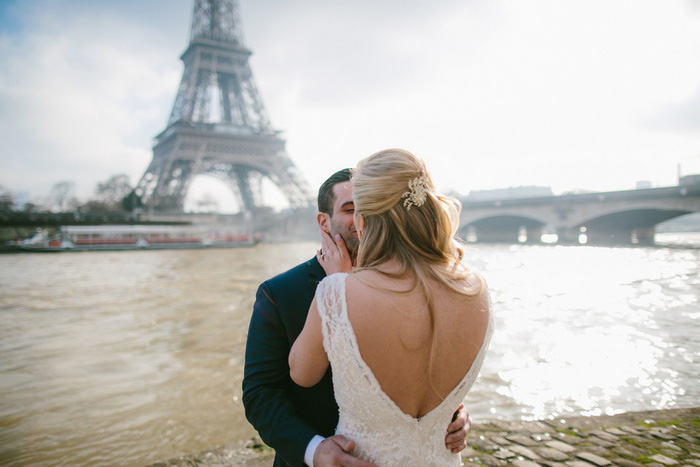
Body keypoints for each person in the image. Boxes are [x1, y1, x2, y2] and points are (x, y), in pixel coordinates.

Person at [243, 168, 472, 467]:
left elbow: (427, 370)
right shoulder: (279, 292)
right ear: (324, 222)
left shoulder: (412, 283)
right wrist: (313, 450)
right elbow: (261, 393)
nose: (364, 218)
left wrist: (454, 413)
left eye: (370, 206)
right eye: (350, 209)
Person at [289, 149, 493, 466]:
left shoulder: (336, 293)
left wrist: (338, 291)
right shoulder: (476, 291)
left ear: (363, 219)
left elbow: (301, 374)